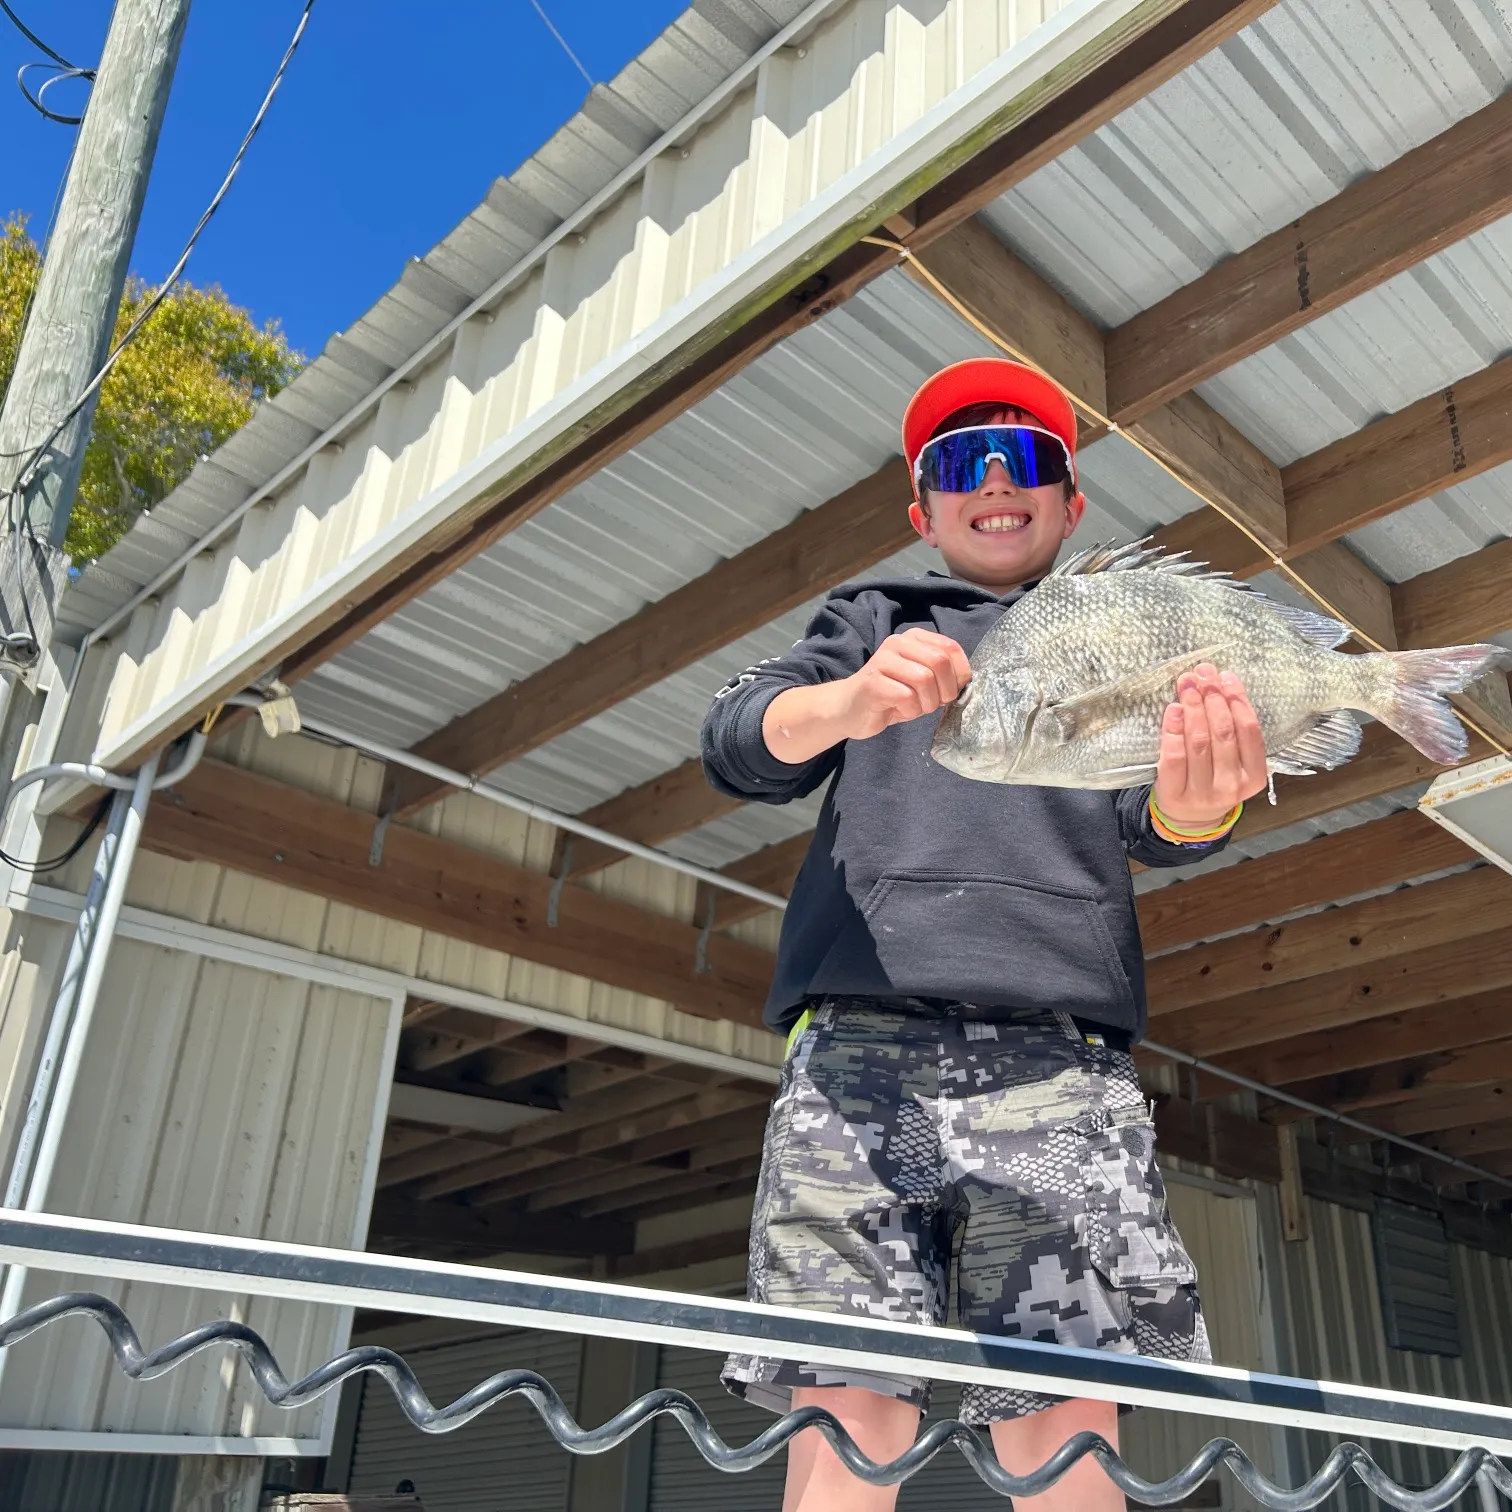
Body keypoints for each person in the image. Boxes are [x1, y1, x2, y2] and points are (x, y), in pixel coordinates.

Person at [698, 357, 1270, 1512]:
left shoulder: (1117, 631)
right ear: (924, 510)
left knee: (1060, 1410)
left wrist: (1200, 805)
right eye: (963, 461)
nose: (998, 479)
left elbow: (1154, 824)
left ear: (1071, 502)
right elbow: (739, 739)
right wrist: (851, 699)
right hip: (857, 1054)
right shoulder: (874, 617)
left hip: (1061, 1060)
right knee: (846, 1398)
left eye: (1031, 459)